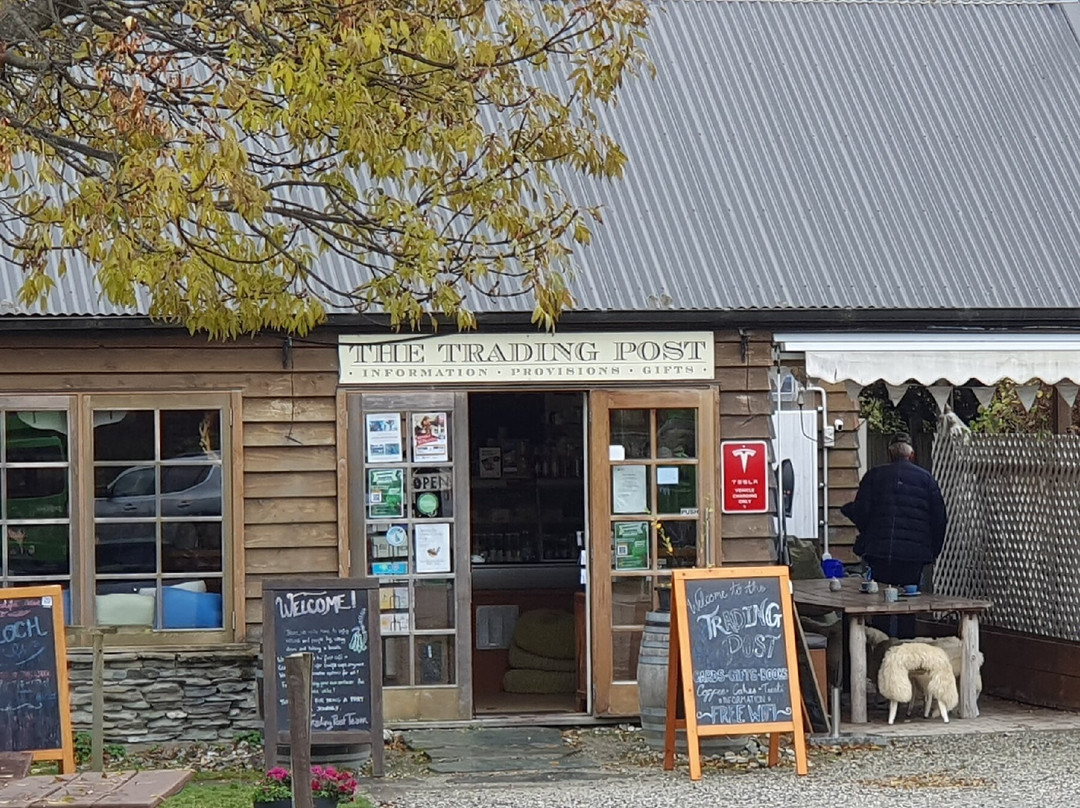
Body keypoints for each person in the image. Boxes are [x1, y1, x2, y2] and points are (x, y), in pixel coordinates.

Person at [841, 431, 947, 637]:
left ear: (889, 453)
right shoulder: (926, 480)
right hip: (913, 555)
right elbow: (939, 519)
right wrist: (933, 551)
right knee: (909, 604)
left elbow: (862, 513)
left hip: (880, 552)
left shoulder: (874, 476)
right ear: (912, 455)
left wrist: (860, 525)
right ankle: (906, 646)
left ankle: (882, 646)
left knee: (880, 604)